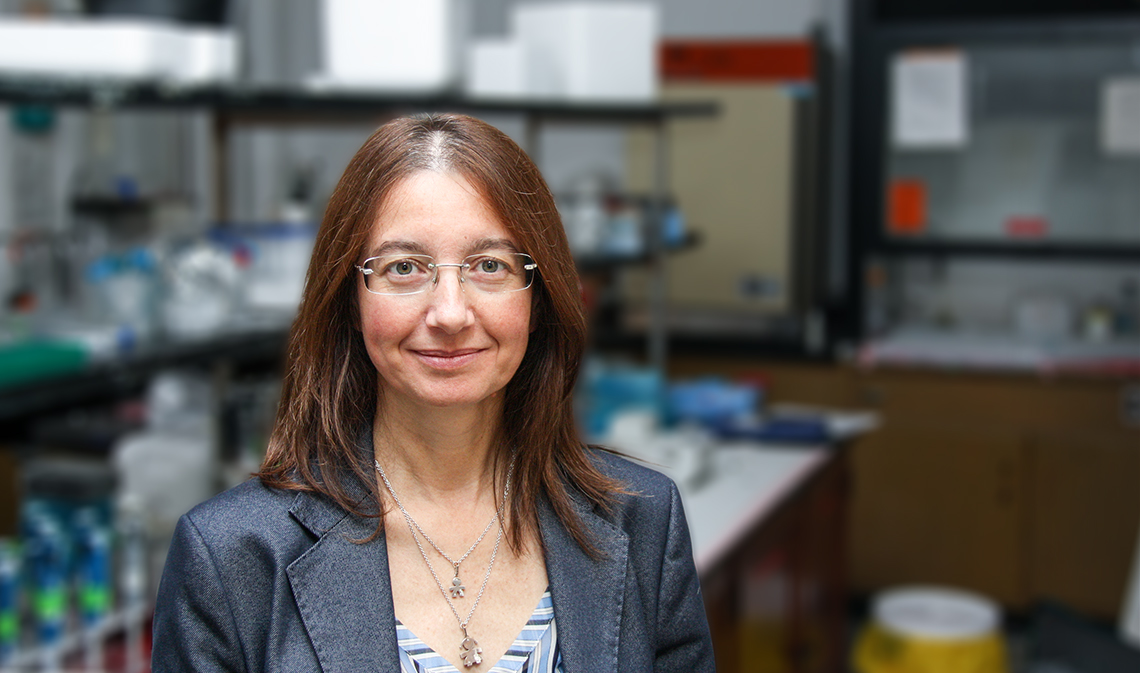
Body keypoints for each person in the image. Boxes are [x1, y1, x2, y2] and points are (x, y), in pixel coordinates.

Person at [151, 113, 715, 672]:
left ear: (539, 297)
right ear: (349, 298)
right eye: (404, 268)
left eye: (489, 265)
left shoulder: (643, 521)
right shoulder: (230, 558)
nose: (449, 313)